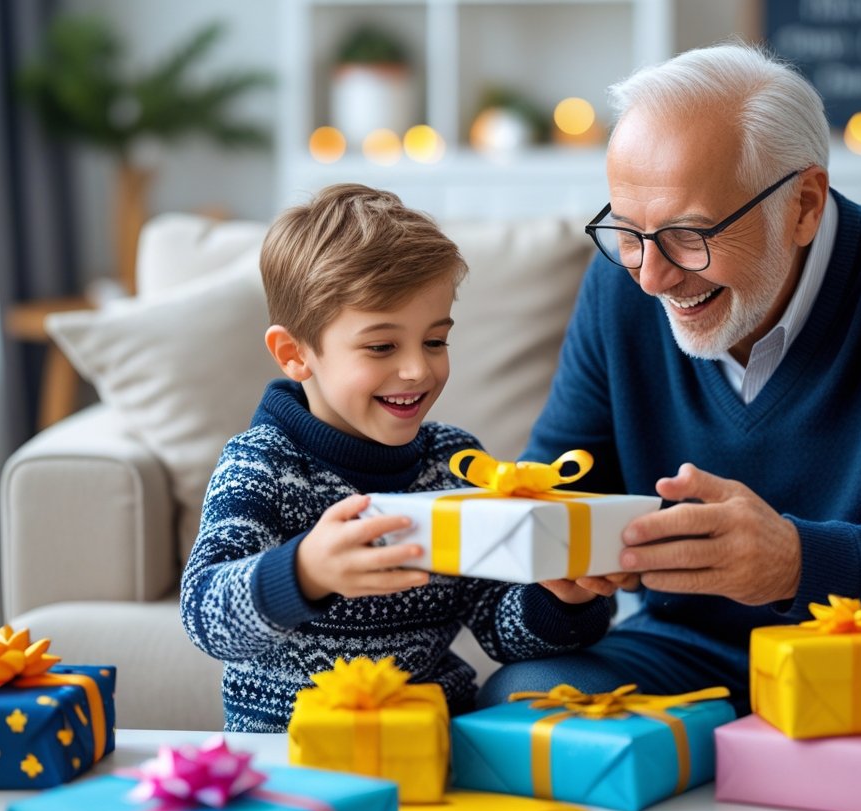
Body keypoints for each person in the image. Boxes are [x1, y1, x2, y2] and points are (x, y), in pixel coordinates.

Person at [479, 41, 861, 716]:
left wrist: (799, 561)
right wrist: (561, 586)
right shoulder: (620, 289)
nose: (651, 276)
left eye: (688, 234)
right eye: (627, 231)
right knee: (524, 699)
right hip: (688, 650)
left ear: (804, 206)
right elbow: (548, 504)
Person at [180, 184, 613, 732]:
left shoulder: (454, 461)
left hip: (437, 744)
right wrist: (305, 572)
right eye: (382, 347)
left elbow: (499, 629)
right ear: (295, 354)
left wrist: (561, 599)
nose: (417, 370)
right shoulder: (263, 466)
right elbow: (205, 618)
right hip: (300, 754)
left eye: (435, 342)